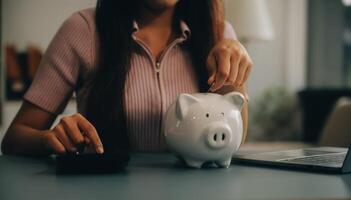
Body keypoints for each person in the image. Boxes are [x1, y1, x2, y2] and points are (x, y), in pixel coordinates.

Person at [1, 0, 252, 156]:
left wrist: (234, 77)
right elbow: (14, 139)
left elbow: (234, 141)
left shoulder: (219, 33)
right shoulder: (82, 30)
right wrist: (49, 139)